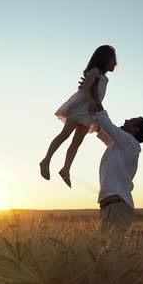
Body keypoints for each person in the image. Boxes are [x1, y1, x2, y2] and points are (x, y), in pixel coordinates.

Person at [40, 45, 117, 188]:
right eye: (113, 60)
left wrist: (96, 107)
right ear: (105, 59)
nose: (115, 64)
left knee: (77, 142)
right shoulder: (94, 71)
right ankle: (46, 160)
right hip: (81, 107)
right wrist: (93, 103)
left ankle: (66, 169)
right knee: (65, 135)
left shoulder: (104, 78)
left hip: (90, 112)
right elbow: (86, 88)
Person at [93, 103, 143, 232]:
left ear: (135, 130)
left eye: (131, 121)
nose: (126, 120)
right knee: (106, 249)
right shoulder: (121, 144)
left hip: (117, 206)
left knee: (110, 249)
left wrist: (95, 97)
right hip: (111, 205)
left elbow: (106, 123)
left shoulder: (129, 142)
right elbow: (103, 130)